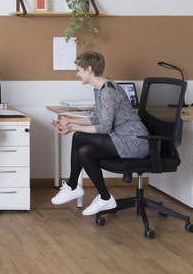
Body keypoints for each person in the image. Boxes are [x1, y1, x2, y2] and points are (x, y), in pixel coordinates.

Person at [50, 51, 149, 215]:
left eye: (78, 70)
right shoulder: (100, 89)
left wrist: (73, 128)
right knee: (84, 151)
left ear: (89, 70)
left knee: (78, 136)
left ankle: (73, 185)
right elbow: (97, 118)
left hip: (135, 141)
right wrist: (70, 121)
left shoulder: (108, 91)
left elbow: (104, 128)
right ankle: (104, 197)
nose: (77, 74)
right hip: (120, 138)